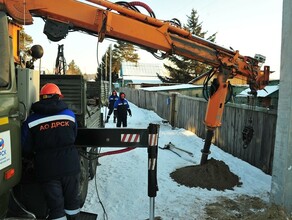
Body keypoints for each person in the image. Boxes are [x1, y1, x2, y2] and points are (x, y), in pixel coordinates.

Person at [21, 83, 80, 220]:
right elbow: (74, 135)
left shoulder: (31, 120)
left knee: (56, 207)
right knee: (72, 203)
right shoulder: (70, 115)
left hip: (47, 168)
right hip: (70, 164)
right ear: (58, 97)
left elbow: (25, 146)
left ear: (42, 98)